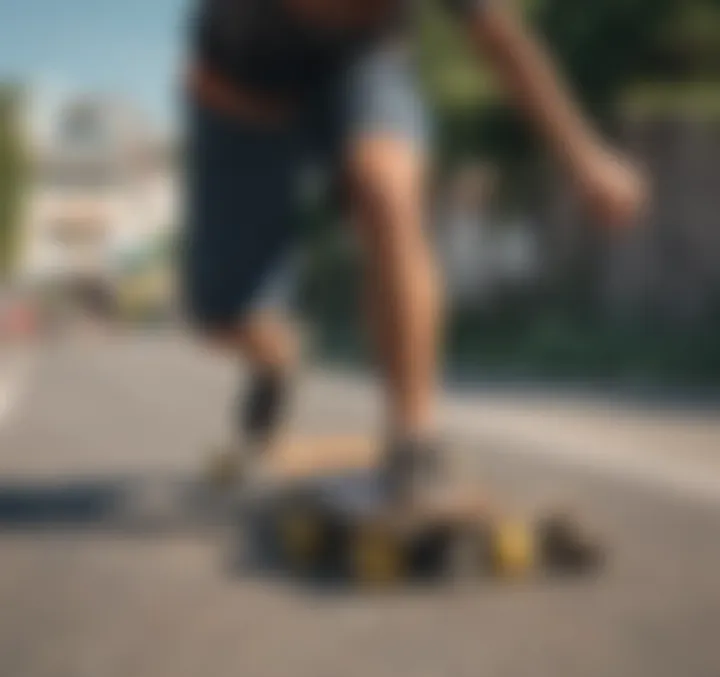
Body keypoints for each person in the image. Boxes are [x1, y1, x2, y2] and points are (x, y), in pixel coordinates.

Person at [183, 0, 647, 502]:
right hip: (241, 96)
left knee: (388, 190)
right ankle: (275, 357)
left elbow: (503, 41)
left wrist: (584, 159)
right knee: (225, 316)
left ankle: (414, 438)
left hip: (363, 65)